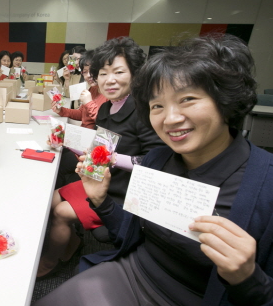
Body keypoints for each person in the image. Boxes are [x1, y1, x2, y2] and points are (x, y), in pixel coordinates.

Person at [34, 34, 273, 306]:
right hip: (132, 271)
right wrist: (100, 200)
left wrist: (248, 277)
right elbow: (127, 237)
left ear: (225, 100)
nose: (170, 118)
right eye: (157, 105)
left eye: (188, 100)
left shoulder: (265, 185)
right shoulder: (159, 161)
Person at [37, 37, 164, 278]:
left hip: (124, 192)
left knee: (61, 213)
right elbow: (100, 150)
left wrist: (113, 158)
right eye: (103, 73)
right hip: (103, 179)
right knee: (52, 198)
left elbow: (155, 163)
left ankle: (50, 261)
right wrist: (67, 142)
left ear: (136, 74)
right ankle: (72, 244)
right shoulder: (106, 107)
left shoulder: (143, 111)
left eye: (118, 72)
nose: (110, 80)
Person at [52, 49, 108, 189]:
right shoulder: (93, 90)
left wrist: (89, 102)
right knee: (53, 153)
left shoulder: (108, 95)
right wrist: (61, 110)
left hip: (90, 153)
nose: (88, 75)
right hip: (81, 146)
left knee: (55, 163)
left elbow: (105, 124)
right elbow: (81, 114)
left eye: (91, 71)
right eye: (84, 72)